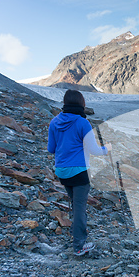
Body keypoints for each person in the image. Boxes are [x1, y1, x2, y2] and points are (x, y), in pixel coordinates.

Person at [47, 89, 112, 256]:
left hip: (61, 171)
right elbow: (94, 150)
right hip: (80, 171)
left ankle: (75, 235)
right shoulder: (83, 123)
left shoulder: (54, 122)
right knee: (80, 208)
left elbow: (51, 149)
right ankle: (79, 246)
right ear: (81, 103)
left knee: (75, 204)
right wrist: (107, 149)